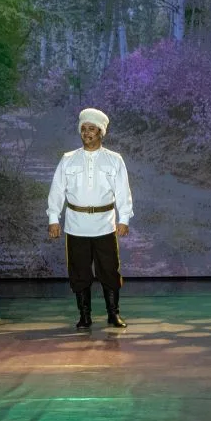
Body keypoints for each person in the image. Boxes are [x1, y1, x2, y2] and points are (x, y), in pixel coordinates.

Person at [47, 108, 134, 329]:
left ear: (101, 132)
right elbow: (57, 190)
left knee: (109, 270)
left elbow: (123, 191)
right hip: (76, 225)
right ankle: (84, 316)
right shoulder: (68, 159)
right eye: (83, 129)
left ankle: (113, 314)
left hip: (105, 225)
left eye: (92, 129)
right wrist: (53, 218)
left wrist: (124, 219)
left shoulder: (114, 160)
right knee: (79, 272)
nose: (87, 133)